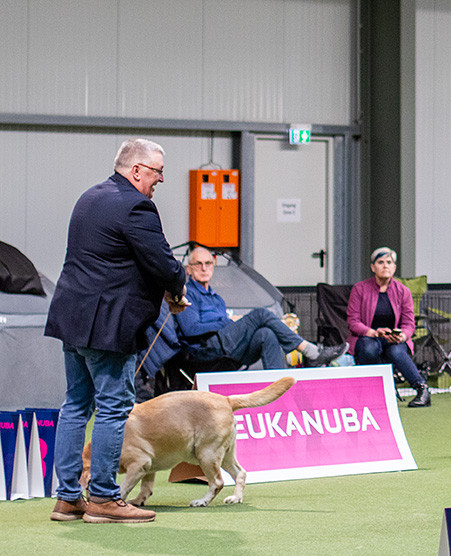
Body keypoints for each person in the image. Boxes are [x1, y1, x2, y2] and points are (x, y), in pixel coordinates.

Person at [45, 139, 189, 524]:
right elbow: (162, 261)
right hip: (108, 323)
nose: (160, 179)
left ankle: (68, 498)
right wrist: (179, 285)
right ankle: (106, 498)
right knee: (113, 408)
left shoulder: (89, 197)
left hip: (72, 317)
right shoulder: (136, 205)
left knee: (75, 405)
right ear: (137, 169)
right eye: (157, 171)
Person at [177, 246, 343, 370]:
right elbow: (190, 329)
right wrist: (225, 322)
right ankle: (310, 351)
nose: (204, 268)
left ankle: (279, 390)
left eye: (208, 263)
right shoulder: (187, 293)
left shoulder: (217, 298)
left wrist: (228, 322)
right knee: (260, 314)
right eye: (198, 264)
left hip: (228, 349)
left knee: (266, 334)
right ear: (189, 269)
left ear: (214, 266)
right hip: (206, 351)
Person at [346, 247, 431, 407]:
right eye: (380, 262)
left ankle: (422, 389)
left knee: (396, 350)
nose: (385, 266)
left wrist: (402, 336)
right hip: (368, 337)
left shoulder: (403, 291)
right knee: (368, 348)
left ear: (394, 267)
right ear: (373, 267)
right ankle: (377, 390)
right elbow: (353, 321)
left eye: (389, 262)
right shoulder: (359, 289)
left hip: (393, 339)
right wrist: (373, 332)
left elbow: (408, 323)